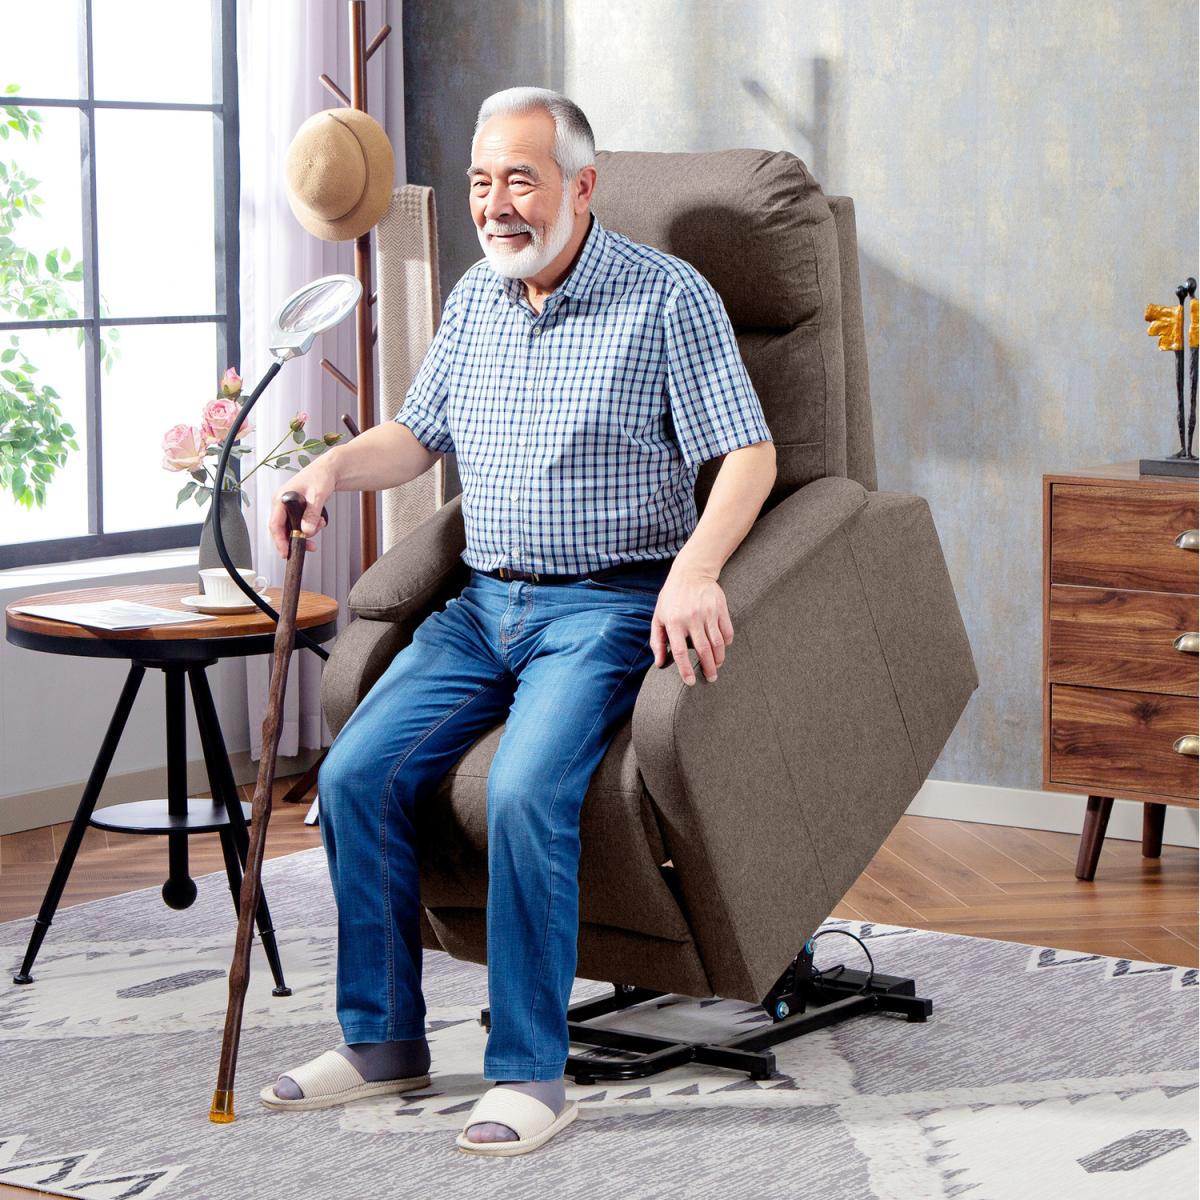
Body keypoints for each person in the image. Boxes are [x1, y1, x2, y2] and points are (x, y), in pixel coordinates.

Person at [261, 86, 776, 1156]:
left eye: (521, 180)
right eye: (482, 181)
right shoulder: (475, 298)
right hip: (481, 605)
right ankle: (382, 1041)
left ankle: (532, 1071)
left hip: (604, 605)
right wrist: (331, 469)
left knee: (525, 790)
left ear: (581, 187)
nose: (497, 204)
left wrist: (696, 570)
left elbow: (749, 454)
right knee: (354, 776)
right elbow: (417, 436)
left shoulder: (665, 297)